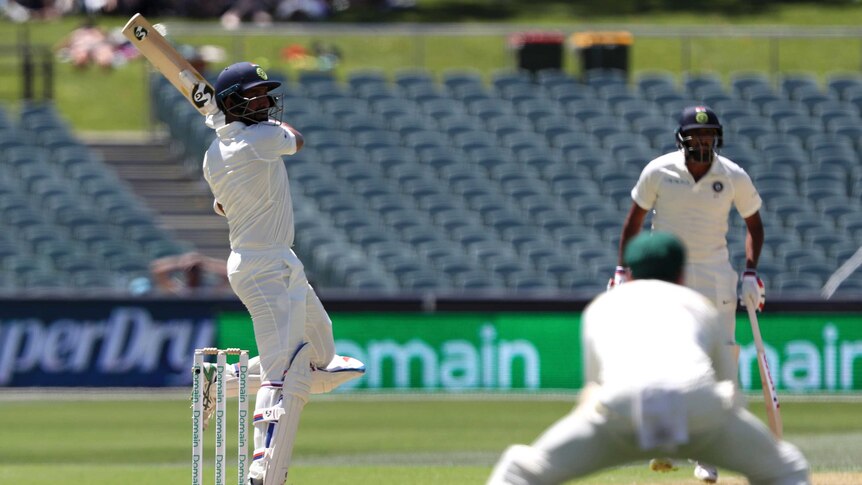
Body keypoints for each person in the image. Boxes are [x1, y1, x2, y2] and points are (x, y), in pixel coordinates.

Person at [488, 232, 809, 485]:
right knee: (788, 468)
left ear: (628, 273)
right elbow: (728, 391)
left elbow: (592, 391)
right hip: (697, 408)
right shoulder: (699, 305)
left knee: (521, 472)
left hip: (622, 408)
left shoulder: (602, 306)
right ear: (682, 274)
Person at [200, 61, 365, 485]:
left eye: (263, 93)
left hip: (278, 261)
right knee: (286, 375)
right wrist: (232, 123)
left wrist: (225, 123)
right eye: (252, 94)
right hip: (263, 267)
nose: (263, 100)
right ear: (232, 103)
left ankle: (220, 383)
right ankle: (264, 473)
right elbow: (298, 139)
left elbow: (223, 206)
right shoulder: (263, 138)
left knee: (324, 360)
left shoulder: (214, 155)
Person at [609, 105, 766, 481]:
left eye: (708, 134)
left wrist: (750, 272)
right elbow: (633, 222)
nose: (702, 141)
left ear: (718, 137)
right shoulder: (659, 170)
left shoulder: (732, 175)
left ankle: (707, 453)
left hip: (716, 275)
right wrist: (621, 269)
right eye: (695, 135)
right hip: (667, 276)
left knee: (720, 359)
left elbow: (754, 225)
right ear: (681, 138)